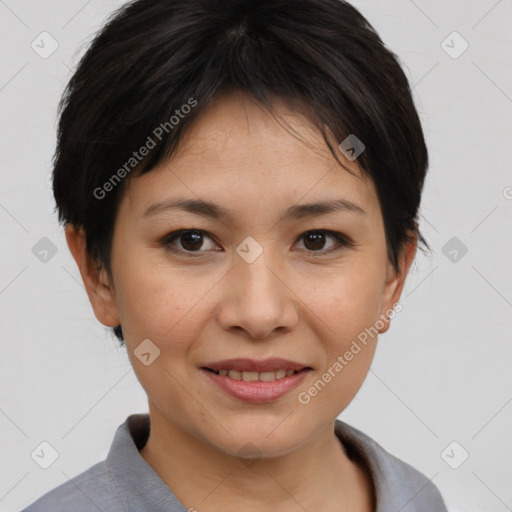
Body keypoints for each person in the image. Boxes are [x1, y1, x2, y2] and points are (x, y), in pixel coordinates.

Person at [22, 0, 448, 510]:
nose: (259, 313)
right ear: (98, 272)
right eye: (192, 240)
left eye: (317, 240)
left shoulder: (422, 500)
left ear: (393, 275)